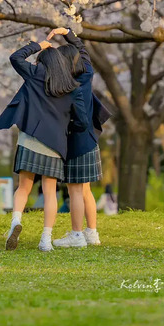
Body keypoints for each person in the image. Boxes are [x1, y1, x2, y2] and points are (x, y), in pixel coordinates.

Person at [0, 38, 89, 252]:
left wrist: (39, 45)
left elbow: (15, 57)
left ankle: (15, 223)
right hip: (55, 145)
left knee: (24, 188)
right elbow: (83, 122)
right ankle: (45, 239)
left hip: (29, 139)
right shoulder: (73, 88)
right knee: (49, 193)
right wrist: (66, 125)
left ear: (43, 62)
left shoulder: (35, 74)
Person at [46, 27, 108, 249]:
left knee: (74, 191)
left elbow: (78, 119)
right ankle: (92, 233)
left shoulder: (69, 87)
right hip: (91, 140)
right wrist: (69, 33)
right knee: (85, 190)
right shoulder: (87, 75)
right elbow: (84, 52)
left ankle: (77, 235)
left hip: (77, 142)